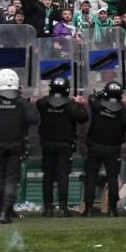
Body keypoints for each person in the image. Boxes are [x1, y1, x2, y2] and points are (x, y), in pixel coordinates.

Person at [0, 68, 39, 224]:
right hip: (16, 145)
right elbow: (33, 119)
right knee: (11, 179)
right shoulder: (21, 103)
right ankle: (6, 210)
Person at [36, 77, 88, 217]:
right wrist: (79, 104)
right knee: (63, 176)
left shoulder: (43, 103)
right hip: (65, 144)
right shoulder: (70, 106)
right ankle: (63, 208)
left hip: (47, 144)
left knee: (48, 176)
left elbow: (39, 104)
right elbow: (83, 118)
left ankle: (48, 208)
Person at [83, 81, 126, 216]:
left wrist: (100, 93)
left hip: (95, 146)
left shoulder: (98, 106)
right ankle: (112, 209)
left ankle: (88, 209)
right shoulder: (121, 110)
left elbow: (91, 98)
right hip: (112, 148)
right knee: (112, 179)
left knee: (90, 178)